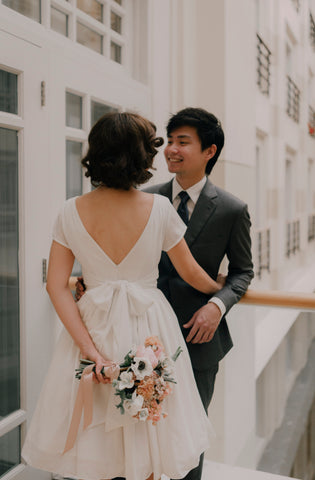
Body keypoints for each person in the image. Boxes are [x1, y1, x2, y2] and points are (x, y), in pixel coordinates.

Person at [21, 112, 226, 480]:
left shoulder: (70, 210)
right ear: (141, 157)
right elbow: (191, 272)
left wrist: (92, 353)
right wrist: (220, 289)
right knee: (148, 431)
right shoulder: (160, 209)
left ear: (96, 153)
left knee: (94, 439)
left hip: (93, 326)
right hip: (149, 327)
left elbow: (56, 286)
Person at [145, 107, 254, 480]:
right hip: (145, 335)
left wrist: (216, 305)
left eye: (183, 142)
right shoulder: (145, 199)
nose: (172, 149)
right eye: (170, 141)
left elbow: (242, 273)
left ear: (209, 151)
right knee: (141, 433)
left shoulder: (232, 209)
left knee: (189, 438)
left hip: (198, 338)